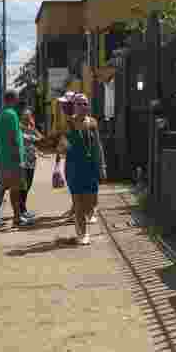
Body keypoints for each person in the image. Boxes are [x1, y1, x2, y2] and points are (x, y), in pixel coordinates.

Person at [59, 94, 106, 245]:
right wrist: (61, 152)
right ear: (74, 106)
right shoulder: (68, 123)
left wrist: (102, 166)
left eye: (85, 103)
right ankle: (82, 234)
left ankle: (84, 221)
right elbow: (61, 146)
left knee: (91, 202)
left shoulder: (92, 123)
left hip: (91, 167)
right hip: (74, 167)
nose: (83, 106)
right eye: (80, 104)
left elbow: (98, 146)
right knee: (78, 202)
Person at [0, 89, 31, 230]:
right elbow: (14, 136)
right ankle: (17, 218)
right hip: (13, 158)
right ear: (13, 99)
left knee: (2, 187)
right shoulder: (12, 115)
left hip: (2, 156)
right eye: (17, 99)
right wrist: (19, 158)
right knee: (16, 189)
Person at [18, 108, 43, 221]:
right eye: (25, 116)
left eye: (29, 116)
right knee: (23, 186)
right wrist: (32, 138)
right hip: (23, 161)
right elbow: (22, 138)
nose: (27, 118)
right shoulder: (19, 127)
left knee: (28, 185)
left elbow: (40, 138)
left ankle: (22, 208)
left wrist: (33, 134)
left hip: (32, 161)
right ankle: (21, 209)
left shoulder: (31, 127)